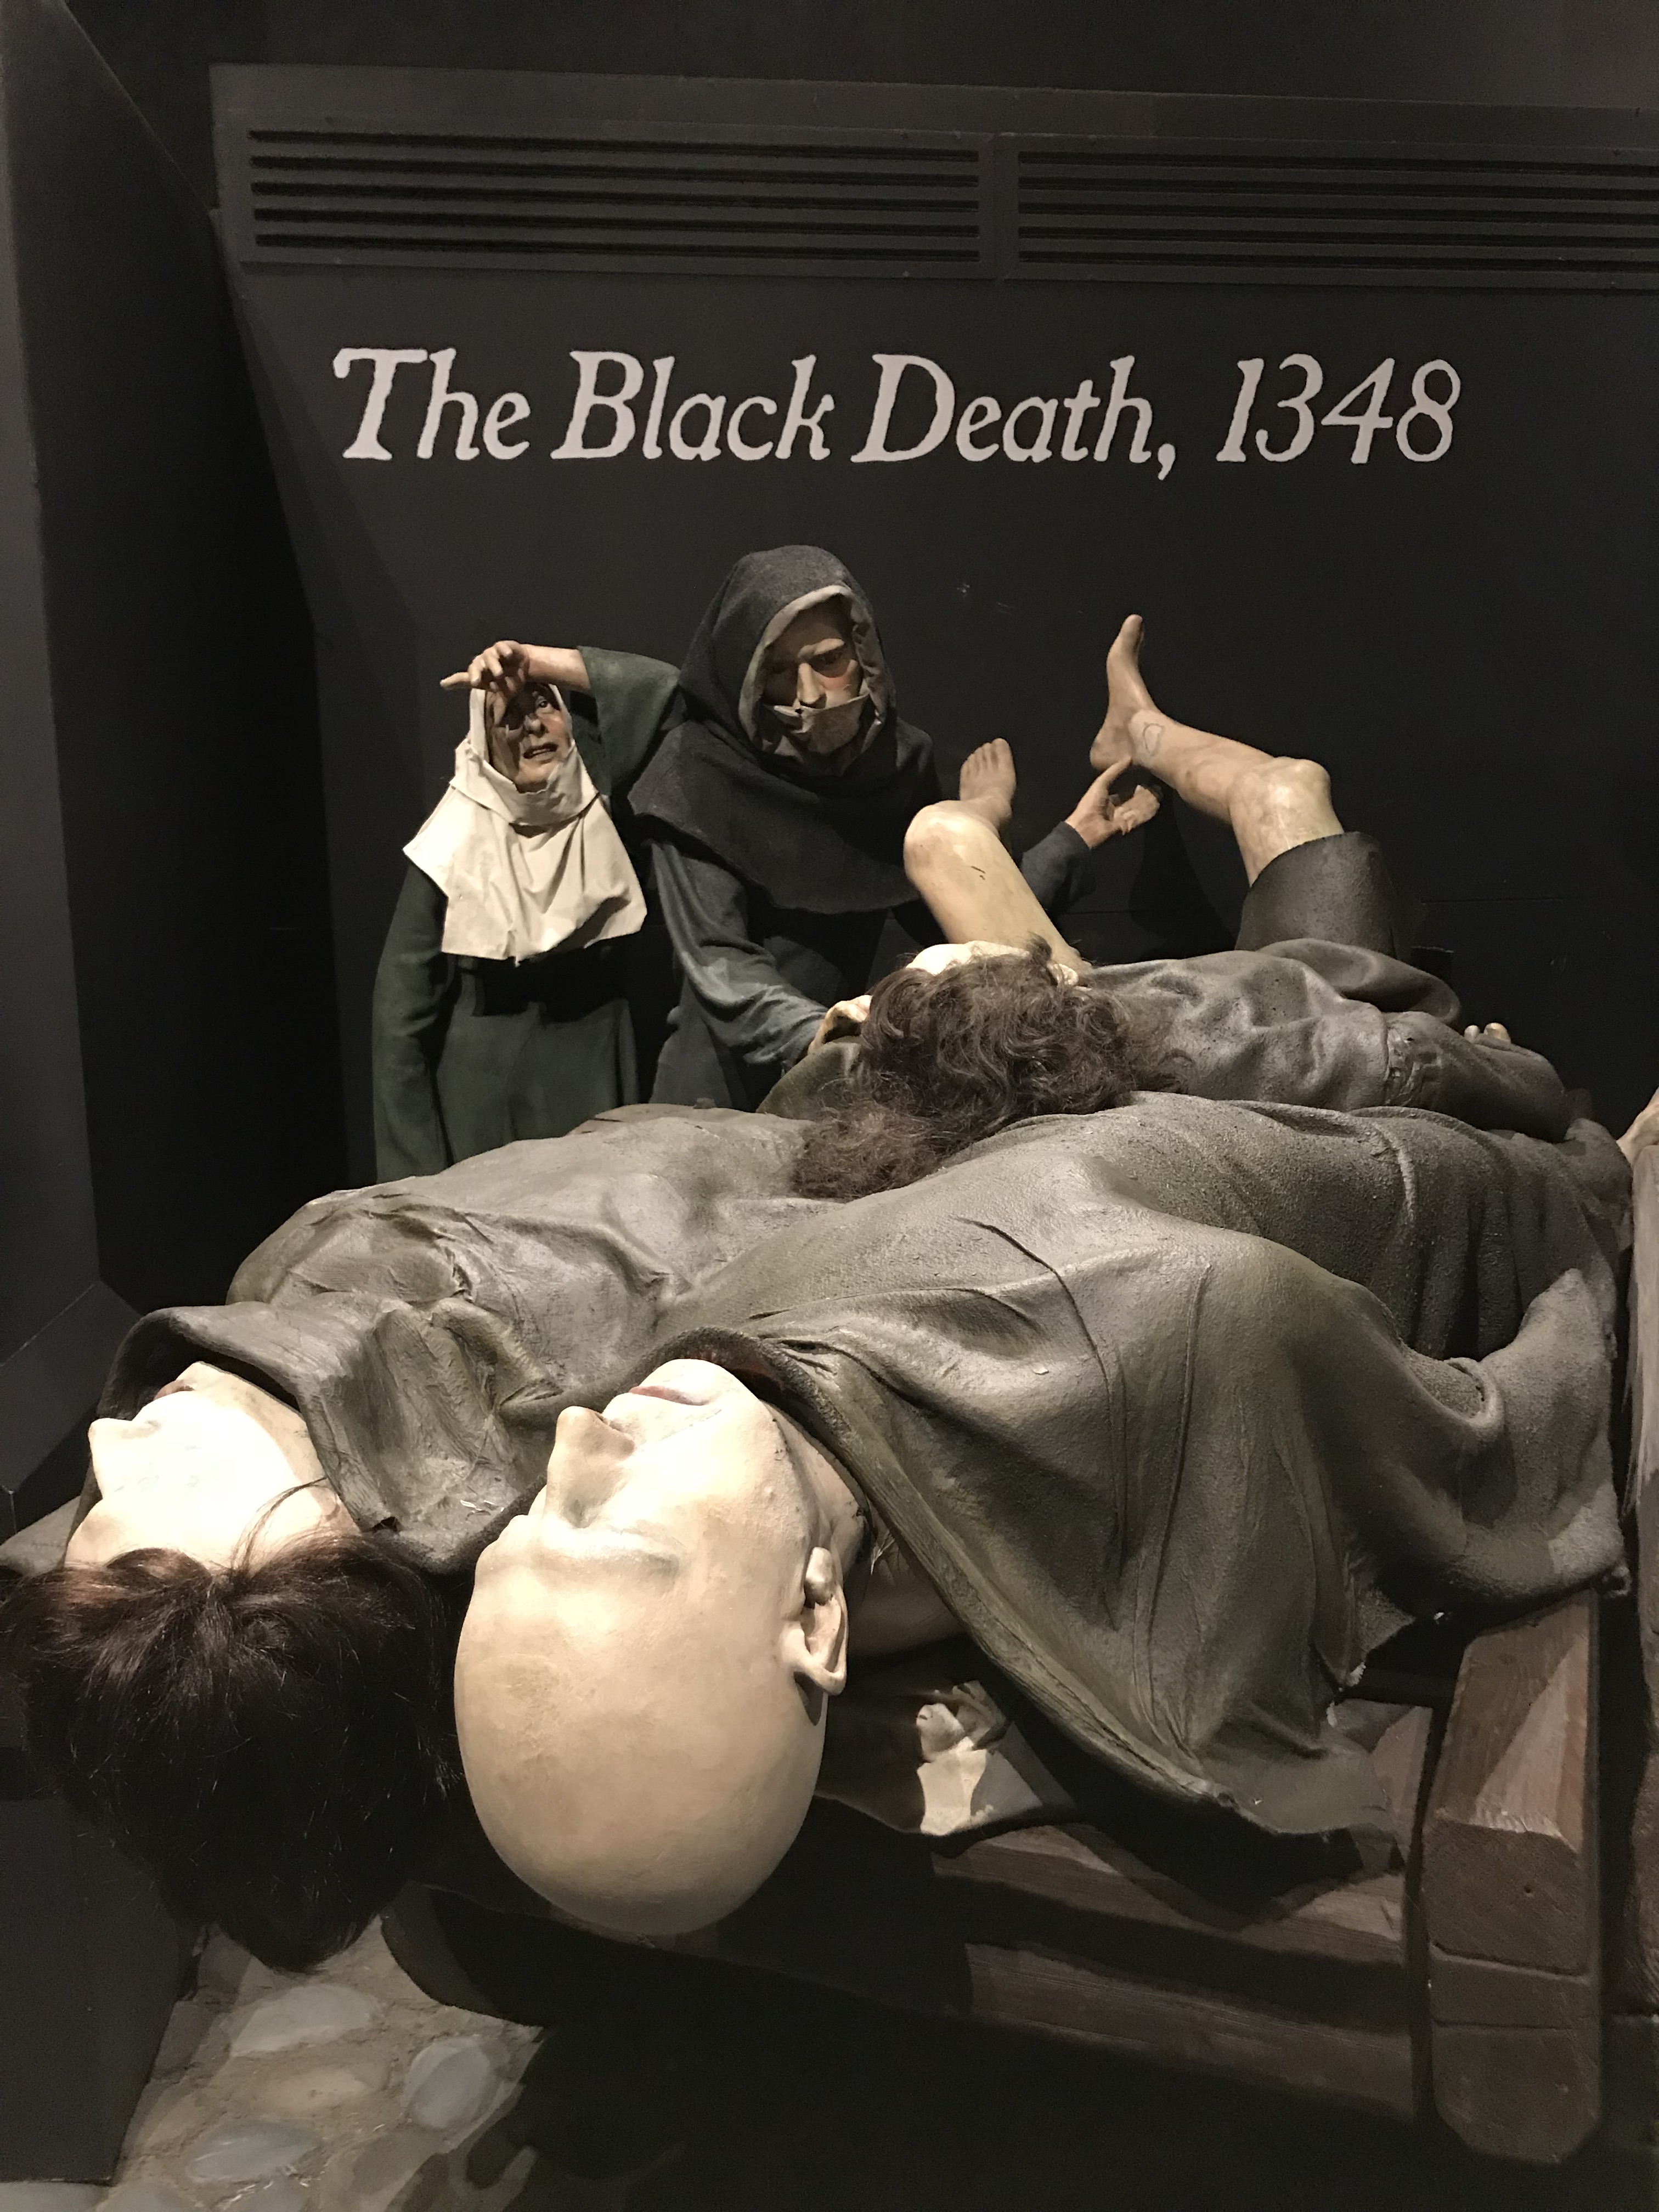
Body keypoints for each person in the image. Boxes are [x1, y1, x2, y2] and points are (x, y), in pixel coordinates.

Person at [450, 622, 1640, 1939]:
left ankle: (1109, 760)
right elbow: (1471, 1326)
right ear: (816, 1621)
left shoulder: (724, 1396)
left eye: (529, 1518)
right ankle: (1141, 732)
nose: (579, 1437)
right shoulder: (1155, 1340)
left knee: (952, 852)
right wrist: (1523, 1111)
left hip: (1070, 1067)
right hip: (1281, 1059)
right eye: (612, 1525)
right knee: (1281, 796)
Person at [0, 1111, 821, 1966]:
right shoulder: (558, 1381)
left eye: (108, 1493)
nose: (108, 1438)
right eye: (156, 1471)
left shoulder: (281, 1345)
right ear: (337, 1540)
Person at [624, 544, 1155, 1108]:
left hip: (841, 1072)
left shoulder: (894, 763)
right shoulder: (696, 775)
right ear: (746, 675)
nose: (809, 695)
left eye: (829, 660)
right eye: (779, 671)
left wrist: (1075, 837)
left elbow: (941, 908)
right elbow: (720, 965)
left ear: (863, 651)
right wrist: (830, 1031)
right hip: (721, 1093)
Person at [371, 644, 680, 1178]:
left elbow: (669, 693)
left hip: (596, 1092)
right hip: (484, 1115)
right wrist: (416, 1177)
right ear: (484, 743)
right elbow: (398, 1021)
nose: (532, 727)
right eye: (508, 718)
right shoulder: (452, 842)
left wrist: (535, 662)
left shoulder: (607, 807)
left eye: (542, 704)